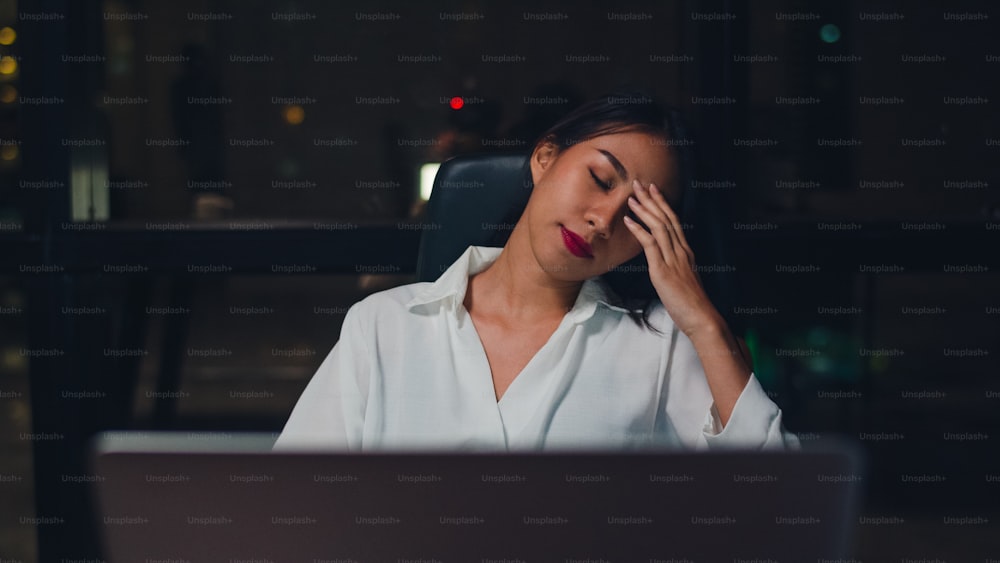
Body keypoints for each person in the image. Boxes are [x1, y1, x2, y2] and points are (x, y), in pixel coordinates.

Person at [275, 94, 799, 451]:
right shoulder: (384, 325)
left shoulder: (658, 343)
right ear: (545, 157)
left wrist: (703, 322)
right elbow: (290, 505)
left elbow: (775, 504)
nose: (603, 219)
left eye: (638, 216)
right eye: (598, 178)